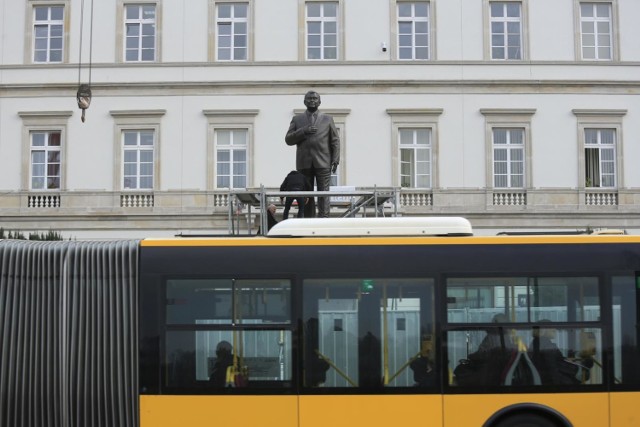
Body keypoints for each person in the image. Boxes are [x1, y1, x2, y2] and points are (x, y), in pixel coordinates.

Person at [285, 91, 340, 218]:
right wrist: (303, 131)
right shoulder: (297, 119)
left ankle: (323, 219)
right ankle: (308, 219)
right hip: (304, 162)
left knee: (324, 193)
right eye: (309, 98)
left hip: (323, 161)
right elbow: (288, 139)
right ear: (304, 102)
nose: (312, 100)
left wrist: (335, 159)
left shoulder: (328, 119)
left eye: (315, 98)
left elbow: (335, 140)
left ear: (319, 102)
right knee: (306, 194)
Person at [528, 320, 579, 385]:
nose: (555, 330)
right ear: (543, 330)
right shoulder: (548, 346)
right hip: (549, 381)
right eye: (551, 327)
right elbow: (553, 368)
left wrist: (565, 360)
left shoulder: (536, 343)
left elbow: (554, 361)